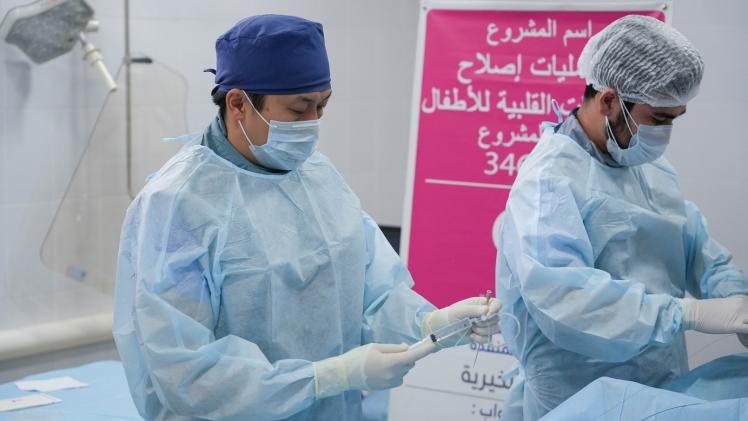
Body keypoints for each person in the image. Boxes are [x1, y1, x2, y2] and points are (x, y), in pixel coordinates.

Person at [112, 14, 500, 421]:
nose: (313, 123)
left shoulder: (317, 176)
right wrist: (325, 377)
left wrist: (431, 323)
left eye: (322, 105)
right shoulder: (177, 204)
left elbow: (370, 290)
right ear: (238, 103)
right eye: (299, 109)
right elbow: (185, 370)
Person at [495, 15, 748, 420]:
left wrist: (736, 300)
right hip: (577, 395)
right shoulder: (549, 183)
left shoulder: (650, 168)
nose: (665, 132)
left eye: (675, 118)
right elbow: (567, 300)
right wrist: (686, 314)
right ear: (609, 101)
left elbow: (697, 249)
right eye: (659, 119)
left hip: (660, 386)